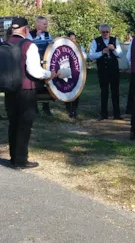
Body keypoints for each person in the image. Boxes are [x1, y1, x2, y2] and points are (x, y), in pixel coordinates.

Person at [5, 17, 65, 169]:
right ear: (25, 29)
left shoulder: (5, 43)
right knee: (24, 125)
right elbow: (34, 71)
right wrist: (49, 74)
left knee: (13, 124)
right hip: (25, 89)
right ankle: (21, 160)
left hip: (9, 90)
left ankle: (13, 157)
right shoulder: (28, 45)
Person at [88, 24, 123, 120]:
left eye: (107, 32)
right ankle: (104, 114)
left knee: (115, 92)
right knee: (104, 92)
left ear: (110, 32)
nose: (105, 34)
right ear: (100, 32)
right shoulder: (96, 41)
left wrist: (114, 49)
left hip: (114, 70)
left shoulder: (115, 40)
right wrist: (101, 53)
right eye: (103, 32)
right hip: (103, 70)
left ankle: (117, 114)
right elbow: (90, 56)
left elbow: (120, 54)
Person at [27, 16, 53, 117]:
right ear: (38, 24)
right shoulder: (30, 34)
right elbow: (28, 45)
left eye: (46, 23)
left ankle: (46, 107)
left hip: (46, 63)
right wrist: (36, 37)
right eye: (44, 24)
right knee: (36, 85)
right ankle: (35, 108)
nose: (46, 26)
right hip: (35, 63)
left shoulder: (47, 34)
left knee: (46, 85)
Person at [64, 32, 84, 119]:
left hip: (77, 72)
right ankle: (69, 110)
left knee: (76, 91)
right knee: (67, 90)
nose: (73, 40)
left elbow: (85, 56)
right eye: (71, 39)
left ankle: (74, 110)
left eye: (74, 39)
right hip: (67, 72)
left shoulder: (79, 47)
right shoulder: (64, 48)